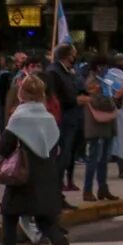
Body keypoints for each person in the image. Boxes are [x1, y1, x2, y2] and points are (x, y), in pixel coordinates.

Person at [0, 74, 77, 245]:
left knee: (10, 218)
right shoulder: (48, 117)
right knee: (47, 221)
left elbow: (4, 147)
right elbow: (55, 145)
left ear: (22, 93)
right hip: (46, 173)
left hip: (23, 174)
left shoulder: (19, 117)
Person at [45, 44, 84, 190]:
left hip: (73, 118)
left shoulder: (69, 71)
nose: (75, 56)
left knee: (69, 155)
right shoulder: (54, 72)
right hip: (62, 119)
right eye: (73, 53)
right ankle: (55, 189)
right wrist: (75, 100)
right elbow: (55, 97)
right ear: (67, 55)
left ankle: (64, 185)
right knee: (61, 156)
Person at [79, 75, 119, 202]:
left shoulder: (106, 82)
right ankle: (88, 190)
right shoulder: (93, 84)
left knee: (103, 161)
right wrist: (111, 95)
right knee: (93, 160)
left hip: (107, 129)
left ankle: (103, 188)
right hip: (96, 129)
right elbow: (104, 105)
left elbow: (117, 104)